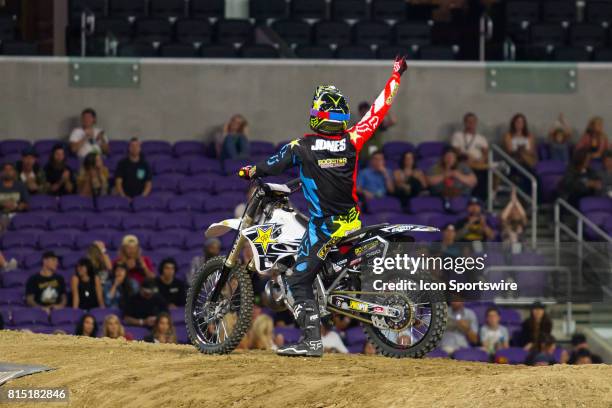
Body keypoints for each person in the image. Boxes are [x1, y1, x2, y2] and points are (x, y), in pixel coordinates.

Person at [237, 56, 408, 357]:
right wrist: (396, 75)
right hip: (353, 224)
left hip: (325, 229)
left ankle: (312, 340)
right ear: (340, 116)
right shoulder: (353, 139)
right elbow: (379, 109)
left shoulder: (300, 148)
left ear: (318, 114)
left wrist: (251, 171)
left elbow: (270, 166)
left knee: (296, 280)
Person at [451, 112, 489, 200]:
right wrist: (467, 156)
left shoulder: (481, 138)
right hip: (463, 163)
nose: (471, 124)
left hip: (478, 164)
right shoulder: (457, 135)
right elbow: (456, 151)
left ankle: (481, 200)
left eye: (473, 121)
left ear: (476, 123)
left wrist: (481, 161)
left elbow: (486, 154)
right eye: (469, 121)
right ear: (464, 122)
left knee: (486, 173)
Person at [357, 100, 397, 165]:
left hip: (375, 158)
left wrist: (385, 109)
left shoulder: (377, 123)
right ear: (359, 113)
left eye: (366, 111)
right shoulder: (357, 125)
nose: (364, 113)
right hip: (361, 158)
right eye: (362, 111)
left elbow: (393, 121)